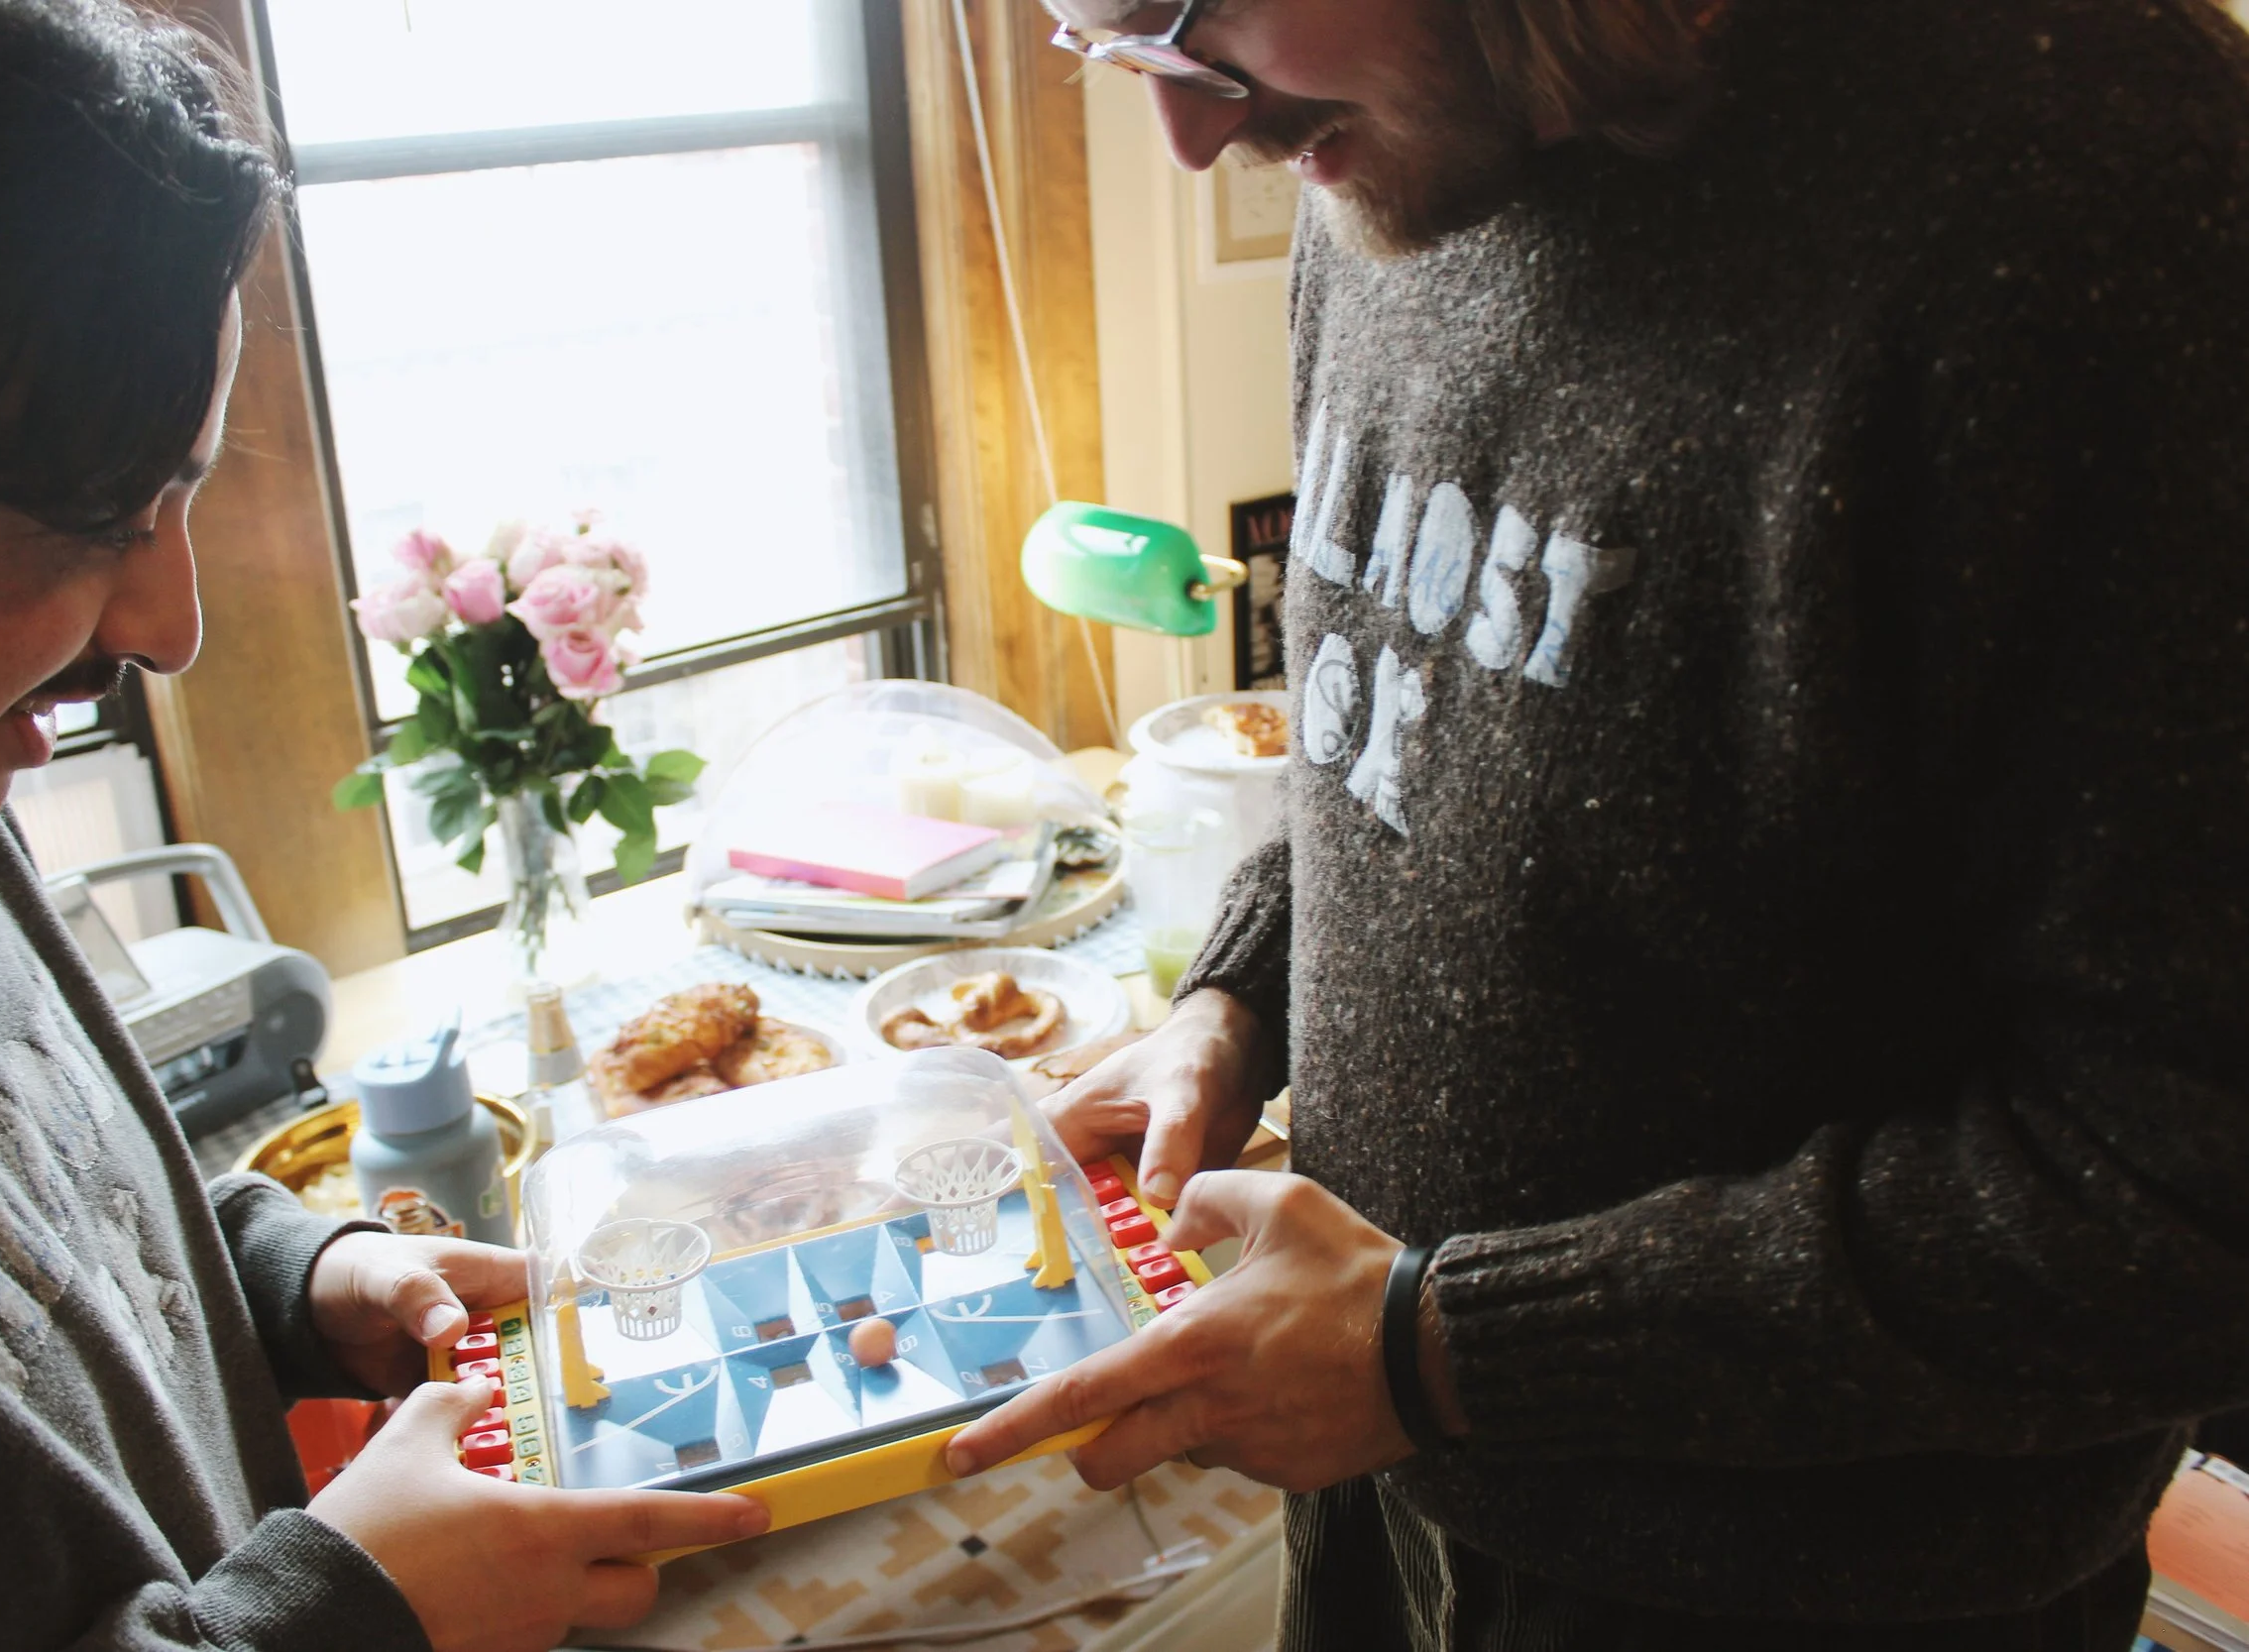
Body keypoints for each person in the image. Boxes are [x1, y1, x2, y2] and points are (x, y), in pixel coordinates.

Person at [949, 0, 2249, 1646]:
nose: (1192, 136)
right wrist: (1244, 996)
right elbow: (1427, 701)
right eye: (1104, 39)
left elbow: (2187, 1176)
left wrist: (1448, 1346)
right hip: (1385, 1481)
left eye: (1184, 13)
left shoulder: (2099, 174)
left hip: (1814, 1595)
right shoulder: (1397, 129)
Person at [0, 4, 764, 1648]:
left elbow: (54, 1229)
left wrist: (297, 1269)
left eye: (179, 498)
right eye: (96, 516)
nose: (169, 627)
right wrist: (348, 1609)